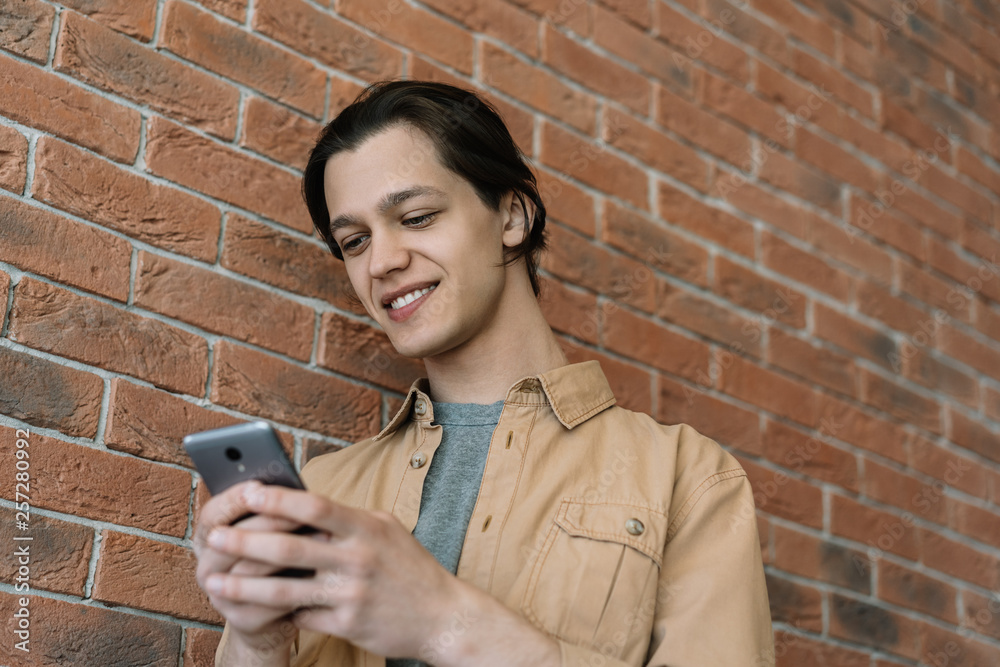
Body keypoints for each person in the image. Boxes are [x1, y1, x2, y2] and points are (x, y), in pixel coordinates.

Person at [194, 80, 774, 667]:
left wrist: (445, 622)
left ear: (513, 217)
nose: (383, 261)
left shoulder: (687, 478)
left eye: (416, 217)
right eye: (355, 241)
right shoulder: (321, 494)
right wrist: (257, 642)